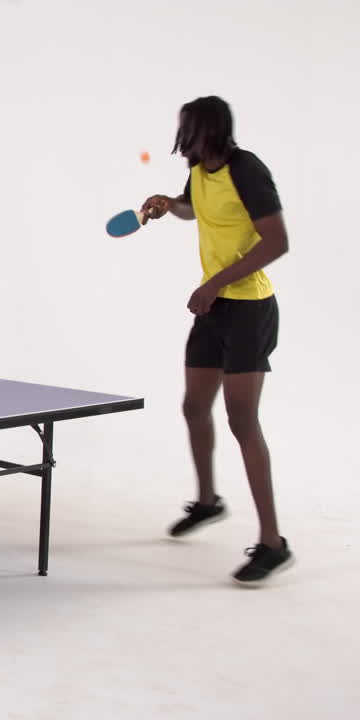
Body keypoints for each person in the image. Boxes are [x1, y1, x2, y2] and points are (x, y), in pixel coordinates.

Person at [140, 96, 292, 585]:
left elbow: (277, 241)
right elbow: (194, 209)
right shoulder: (201, 172)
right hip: (214, 307)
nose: (180, 132)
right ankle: (208, 502)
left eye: (187, 125)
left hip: (248, 308)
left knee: (241, 420)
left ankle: (273, 543)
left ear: (209, 128)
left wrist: (214, 284)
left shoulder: (248, 170)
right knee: (193, 407)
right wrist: (170, 204)